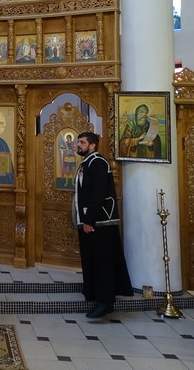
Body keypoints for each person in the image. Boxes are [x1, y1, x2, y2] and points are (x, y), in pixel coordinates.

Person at [73, 131, 133, 319]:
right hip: (90, 221)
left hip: (100, 222)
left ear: (92, 145)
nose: (78, 145)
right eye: (78, 142)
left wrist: (90, 220)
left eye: (82, 142)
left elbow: (98, 193)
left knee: (103, 261)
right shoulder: (88, 163)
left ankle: (105, 302)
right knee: (93, 259)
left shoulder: (98, 162)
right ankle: (94, 293)